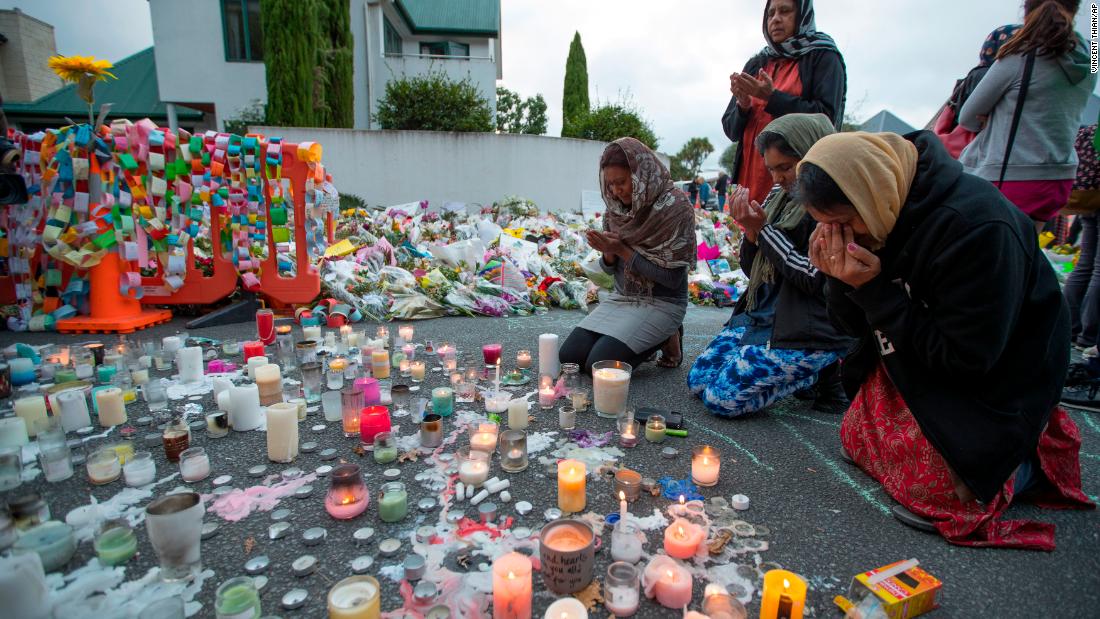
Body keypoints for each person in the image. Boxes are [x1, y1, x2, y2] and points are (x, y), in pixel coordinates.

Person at [797, 130, 1093, 550]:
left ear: (874, 194)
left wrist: (875, 289)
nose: (839, 236)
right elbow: (849, 327)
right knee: (856, 440)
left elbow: (966, 359)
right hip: (916, 357)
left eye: (845, 222)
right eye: (824, 224)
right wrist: (839, 280)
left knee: (934, 490)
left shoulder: (977, 226)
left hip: (995, 382)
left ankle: (1026, 465)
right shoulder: (883, 216)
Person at [688, 113, 852, 418]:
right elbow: (756, 271)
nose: (777, 178)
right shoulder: (780, 195)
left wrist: (764, 232)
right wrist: (752, 233)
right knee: (699, 380)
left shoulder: (835, 206)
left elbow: (815, 279)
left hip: (807, 323)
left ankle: (825, 369)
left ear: (812, 157)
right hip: (765, 313)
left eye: (786, 168)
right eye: (772, 169)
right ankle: (797, 373)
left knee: (720, 399)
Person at [559, 137, 695, 373]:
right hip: (624, 299)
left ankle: (667, 336)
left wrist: (622, 250)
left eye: (621, 182)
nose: (614, 190)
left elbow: (672, 280)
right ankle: (652, 338)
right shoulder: (616, 211)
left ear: (640, 176)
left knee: (599, 366)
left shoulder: (675, 208)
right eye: (610, 184)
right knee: (570, 358)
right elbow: (612, 270)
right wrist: (609, 254)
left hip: (663, 302)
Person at [958, 0, 1096, 230]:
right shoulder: (1092, 62)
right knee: (1023, 255)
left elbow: (967, 117)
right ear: (1076, 11)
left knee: (986, 258)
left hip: (1011, 178)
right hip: (1058, 180)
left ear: (1027, 12)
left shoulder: (1020, 56)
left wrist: (996, 113)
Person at [722, 0, 846, 206]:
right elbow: (730, 130)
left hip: (796, 189)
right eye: (770, 14)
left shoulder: (822, 56)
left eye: (785, 11)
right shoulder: (757, 63)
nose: (776, 19)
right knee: (750, 234)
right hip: (750, 182)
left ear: (802, 15)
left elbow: (825, 120)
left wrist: (771, 98)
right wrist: (742, 105)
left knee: (782, 236)